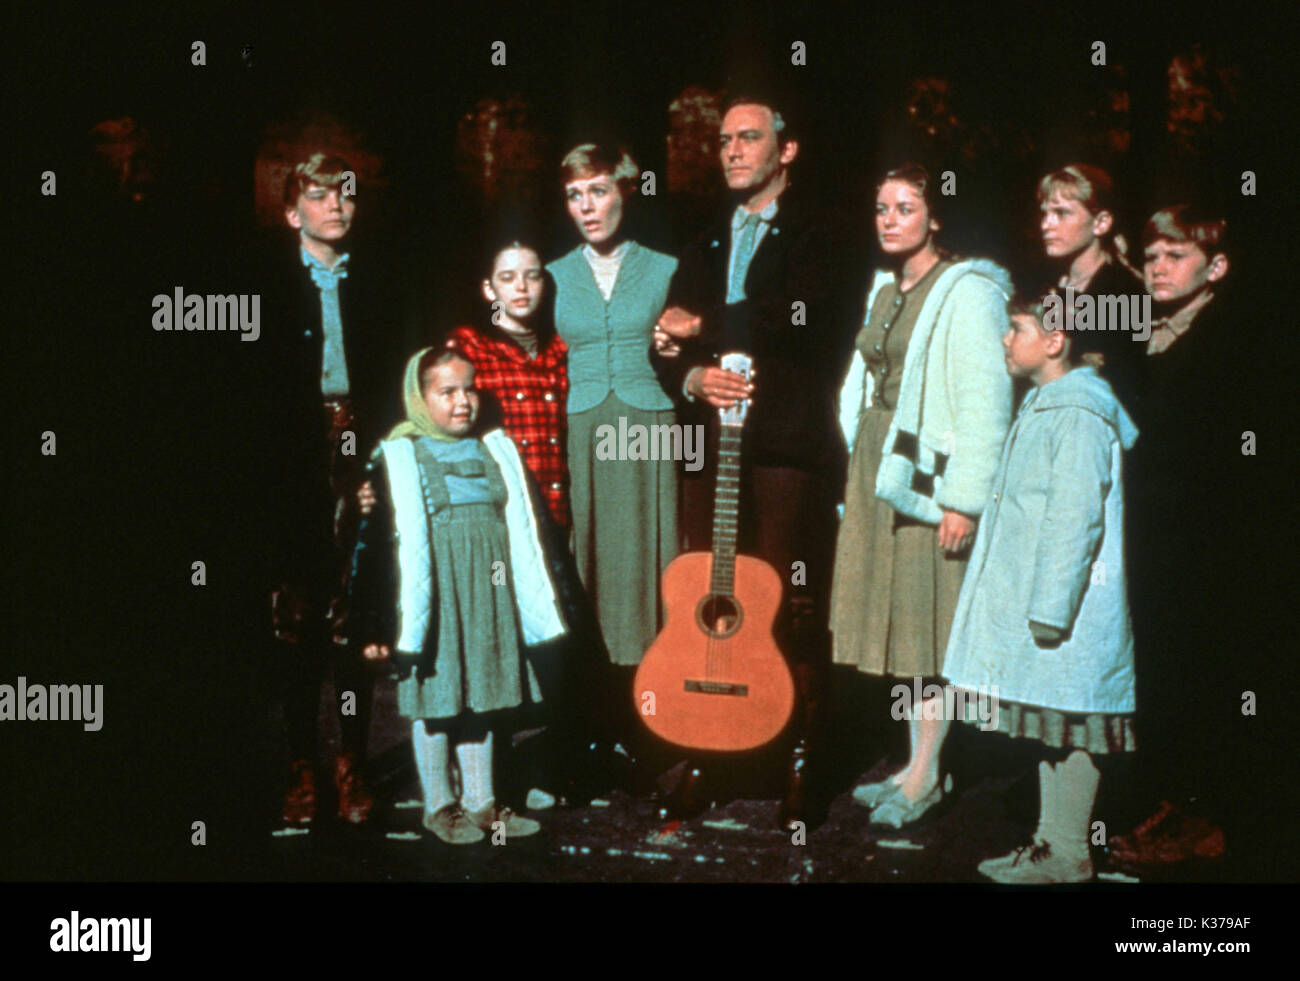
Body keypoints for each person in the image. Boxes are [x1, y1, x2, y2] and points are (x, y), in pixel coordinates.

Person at [653, 95, 860, 828]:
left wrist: (706, 324)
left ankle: (804, 755)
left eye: (750, 137)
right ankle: (713, 743)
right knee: (710, 600)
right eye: (724, 140)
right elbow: (664, 337)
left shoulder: (824, 230)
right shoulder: (706, 237)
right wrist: (690, 376)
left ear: (787, 149)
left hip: (785, 450)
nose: (733, 150)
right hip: (711, 449)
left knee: (790, 602)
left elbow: (803, 313)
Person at [834, 164, 1012, 830]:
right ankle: (913, 764)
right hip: (876, 465)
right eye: (880, 207)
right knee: (894, 627)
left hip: (928, 476)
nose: (888, 219)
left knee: (927, 625)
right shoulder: (885, 288)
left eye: (905, 207)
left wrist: (964, 498)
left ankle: (930, 773)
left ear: (936, 217)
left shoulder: (967, 289)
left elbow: (985, 400)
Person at [942, 299, 1139, 882]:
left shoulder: (1078, 412)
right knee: (1053, 723)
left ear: (1056, 342)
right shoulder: (1046, 402)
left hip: (1067, 608)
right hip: (1040, 605)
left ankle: (1068, 850)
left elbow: (1075, 517)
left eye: (1018, 328)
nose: (1005, 339)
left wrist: (1051, 608)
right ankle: (1055, 846)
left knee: (1075, 721)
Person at [347, 348, 567, 843]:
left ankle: (481, 801)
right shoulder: (399, 456)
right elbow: (376, 548)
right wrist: (373, 624)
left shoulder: (494, 448)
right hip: (438, 599)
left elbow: (523, 529)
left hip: (488, 591)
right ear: (420, 398)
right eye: (447, 392)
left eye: (470, 389)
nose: (463, 401)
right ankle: (439, 804)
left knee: (483, 694)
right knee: (438, 696)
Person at [265, 152, 409, 827]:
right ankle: (301, 765)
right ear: (294, 212)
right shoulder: (267, 283)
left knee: (355, 608)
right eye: (320, 197)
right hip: (292, 451)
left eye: (345, 195)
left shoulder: (379, 281)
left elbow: (396, 375)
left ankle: (352, 759)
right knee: (297, 616)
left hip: (362, 439)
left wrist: (379, 460)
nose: (337, 206)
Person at [1107, 204, 1240, 868]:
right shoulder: (1150, 331)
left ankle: (1202, 815)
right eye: (1152, 255)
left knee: (1200, 676)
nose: (1158, 267)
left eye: (1176, 256)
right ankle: (1169, 801)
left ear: (1214, 267)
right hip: (1152, 538)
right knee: (1159, 673)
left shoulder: (1226, 339)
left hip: (1204, 544)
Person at [546, 143, 680, 764]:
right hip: (578, 428)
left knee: (647, 564)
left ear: (627, 190)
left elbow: (702, 344)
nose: (586, 207)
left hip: (648, 428)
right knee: (586, 566)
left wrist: (682, 343)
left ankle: (651, 721)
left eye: (598, 190)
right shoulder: (550, 275)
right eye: (575, 195)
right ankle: (590, 722)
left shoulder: (667, 267)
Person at [447, 236, 570, 528]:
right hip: (502, 512)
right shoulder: (469, 351)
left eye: (532, 276)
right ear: (489, 289)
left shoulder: (562, 350)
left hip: (558, 511)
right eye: (507, 277)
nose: (521, 287)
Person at [1036, 164, 1144, 411]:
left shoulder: (1128, 292)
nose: (1046, 224)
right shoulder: (1049, 287)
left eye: (1062, 213)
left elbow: (1127, 386)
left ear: (1101, 222)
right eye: (1045, 213)